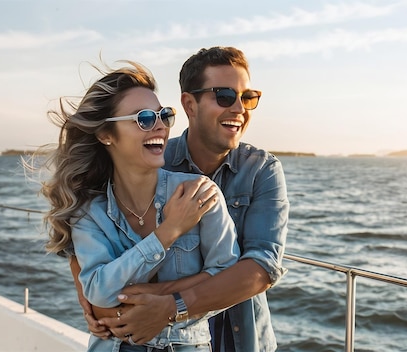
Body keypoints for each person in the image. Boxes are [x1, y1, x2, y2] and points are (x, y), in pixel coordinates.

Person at [89, 46, 290, 352]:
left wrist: (170, 305)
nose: (239, 108)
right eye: (224, 96)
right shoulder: (152, 159)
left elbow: (262, 267)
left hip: (241, 338)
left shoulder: (262, 170)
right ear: (189, 104)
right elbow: (86, 231)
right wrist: (89, 299)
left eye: (247, 98)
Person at [34, 60, 240, 351]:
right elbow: (99, 292)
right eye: (143, 118)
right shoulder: (89, 211)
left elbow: (227, 280)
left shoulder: (200, 194)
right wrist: (167, 232)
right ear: (106, 135)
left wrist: (169, 305)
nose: (159, 126)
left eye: (163, 115)